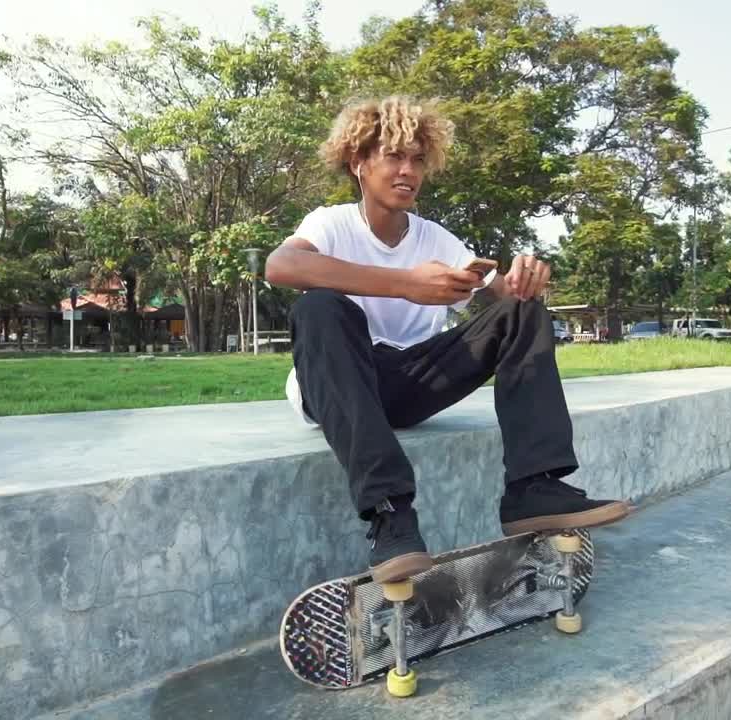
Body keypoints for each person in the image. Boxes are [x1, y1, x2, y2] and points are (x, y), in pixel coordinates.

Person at [265, 97, 630, 584]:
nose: (407, 171)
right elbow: (280, 266)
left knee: (523, 312)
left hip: (410, 382)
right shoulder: (330, 223)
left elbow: (499, 292)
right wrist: (406, 283)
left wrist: (523, 280)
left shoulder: (436, 238)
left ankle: (534, 487)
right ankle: (390, 514)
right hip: (339, 383)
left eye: (417, 160)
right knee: (319, 306)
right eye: (393, 157)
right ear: (358, 163)